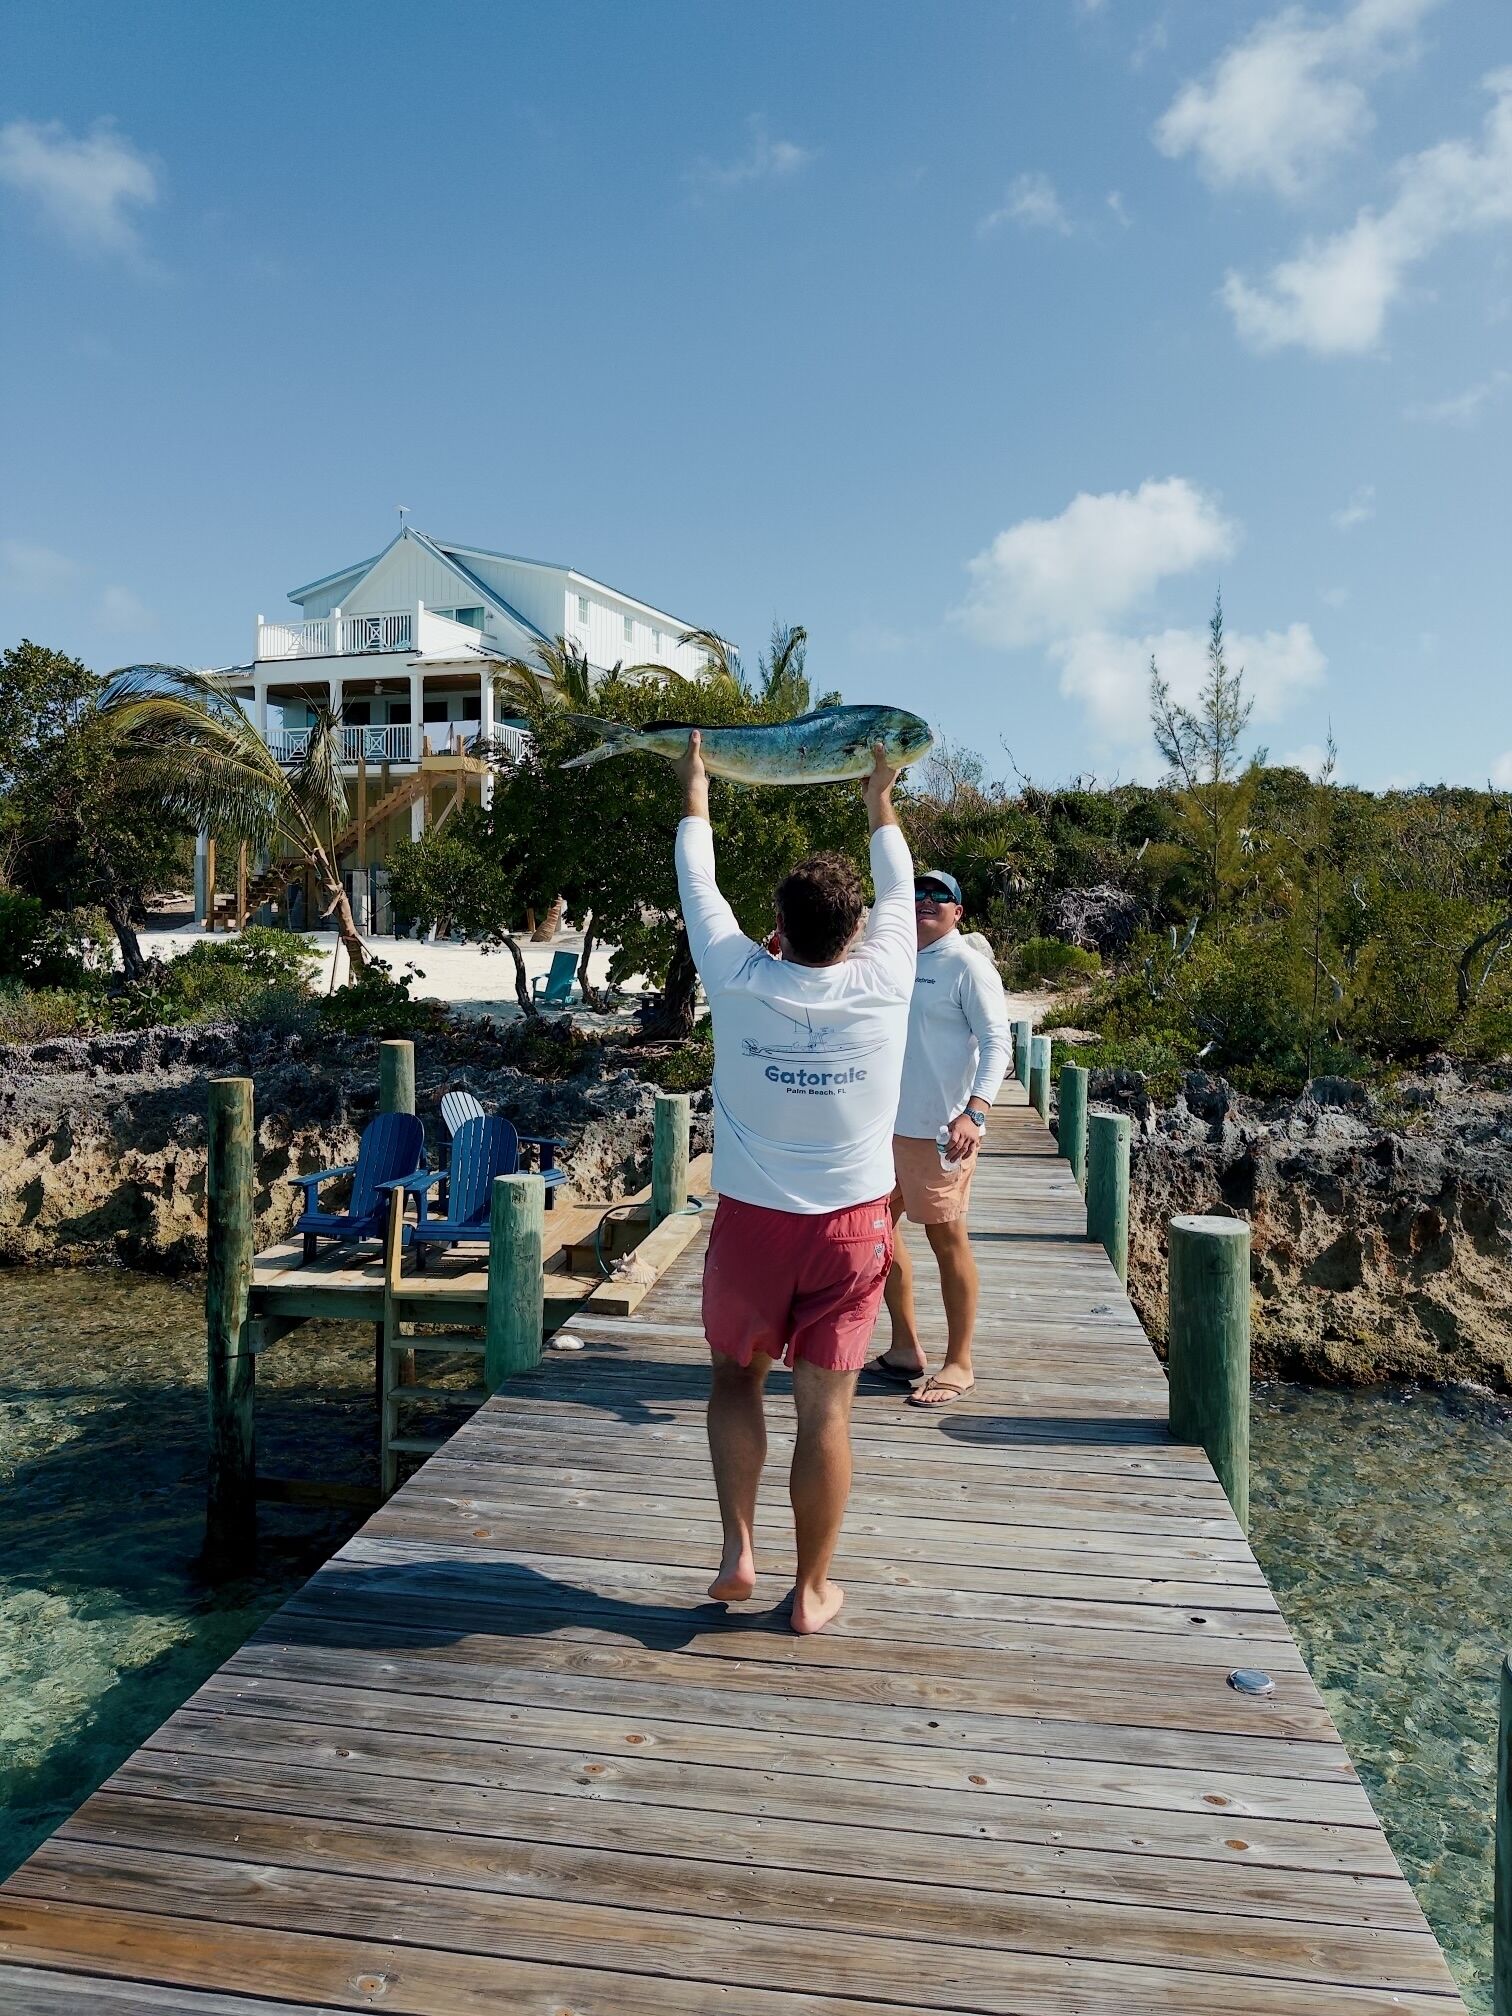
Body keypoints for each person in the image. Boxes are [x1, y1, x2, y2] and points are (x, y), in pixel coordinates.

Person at [674, 732, 914, 1634]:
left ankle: (738, 1549)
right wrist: (879, 796)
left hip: (752, 1228)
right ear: (854, 932)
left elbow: (697, 879)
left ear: (776, 924)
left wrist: (697, 785)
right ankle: (811, 1592)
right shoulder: (887, 977)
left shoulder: (736, 975)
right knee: (828, 1416)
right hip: (852, 1230)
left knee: (736, 1382)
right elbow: (900, 884)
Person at [867, 868, 1010, 1406]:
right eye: (918, 893)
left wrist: (975, 1113)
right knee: (874, 1233)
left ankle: (960, 1363)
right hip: (880, 1132)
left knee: (947, 1241)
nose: (926, 900)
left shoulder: (967, 965)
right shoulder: (895, 957)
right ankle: (905, 1347)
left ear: (958, 911)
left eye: (939, 895)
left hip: (939, 1134)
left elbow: (998, 1044)